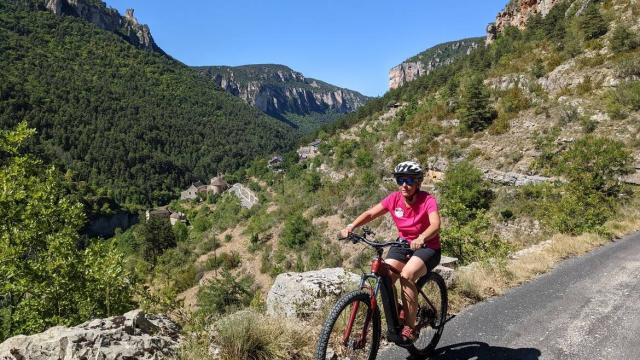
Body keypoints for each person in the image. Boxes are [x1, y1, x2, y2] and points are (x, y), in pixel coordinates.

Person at [339, 160, 441, 343]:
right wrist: (351, 226)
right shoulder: (394, 199)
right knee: (385, 276)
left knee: (407, 275)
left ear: (418, 182)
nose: (404, 185)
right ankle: (399, 313)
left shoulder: (428, 200)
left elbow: (435, 224)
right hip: (402, 245)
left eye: (409, 180)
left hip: (427, 247)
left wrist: (421, 238)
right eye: (400, 180)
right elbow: (371, 214)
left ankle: (409, 328)